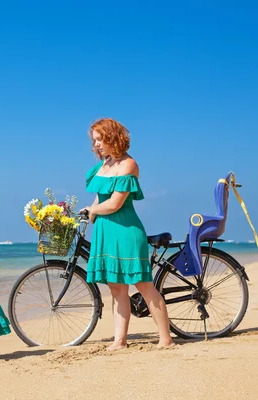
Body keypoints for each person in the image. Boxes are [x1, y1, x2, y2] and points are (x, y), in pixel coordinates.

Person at [81, 118, 175, 350]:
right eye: (94, 141)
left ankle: (166, 339)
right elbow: (100, 197)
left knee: (143, 285)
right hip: (105, 232)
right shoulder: (103, 166)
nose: (97, 145)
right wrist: (89, 209)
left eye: (100, 139)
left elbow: (114, 204)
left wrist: (94, 211)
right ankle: (119, 341)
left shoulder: (128, 165)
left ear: (113, 137)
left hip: (126, 231)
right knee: (116, 289)